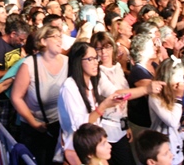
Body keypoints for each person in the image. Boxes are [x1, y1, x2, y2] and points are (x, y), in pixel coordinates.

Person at [58, 42, 156, 165]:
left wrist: (145, 90)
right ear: (78, 61)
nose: (95, 62)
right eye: (90, 59)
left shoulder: (94, 79)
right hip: (77, 150)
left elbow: (116, 93)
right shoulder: (69, 87)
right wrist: (103, 106)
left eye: (96, 58)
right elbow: (80, 127)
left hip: (94, 144)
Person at [11, 25, 68, 165]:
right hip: (35, 128)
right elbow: (16, 97)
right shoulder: (29, 65)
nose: (60, 40)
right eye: (55, 36)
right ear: (43, 41)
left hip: (60, 126)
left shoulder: (68, 62)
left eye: (60, 36)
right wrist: (34, 123)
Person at [90, 31, 135, 165]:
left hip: (120, 125)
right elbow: (117, 94)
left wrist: (126, 124)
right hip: (107, 128)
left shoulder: (118, 67)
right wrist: (145, 89)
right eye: (99, 48)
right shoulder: (97, 72)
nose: (103, 52)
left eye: (107, 47)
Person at [148, 58, 184, 165]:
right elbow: (171, 121)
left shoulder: (173, 93)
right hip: (162, 148)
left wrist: (183, 122)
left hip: (176, 145)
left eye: (183, 76)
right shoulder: (155, 96)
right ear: (168, 77)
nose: (183, 81)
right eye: (179, 76)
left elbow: (176, 120)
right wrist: (179, 98)